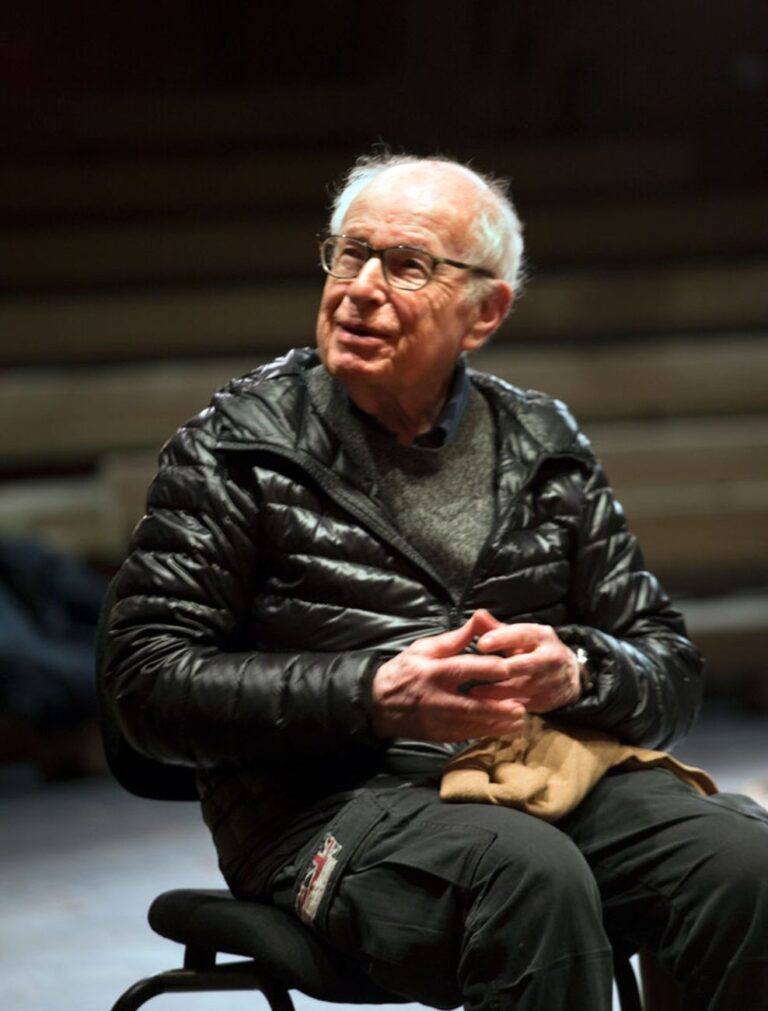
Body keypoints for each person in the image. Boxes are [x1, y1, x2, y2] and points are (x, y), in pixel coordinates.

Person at [102, 152, 768, 1010]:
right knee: (528, 876)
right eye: (350, 253)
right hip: (317, 810)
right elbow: (145, 687)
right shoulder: (237, 446)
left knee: (743, 864)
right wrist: (372, 691)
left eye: (407, 264)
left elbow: (668, 668)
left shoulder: (542, 441)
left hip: (532, 776)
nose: (361, 288)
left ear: (483, 311)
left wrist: (578, 669)